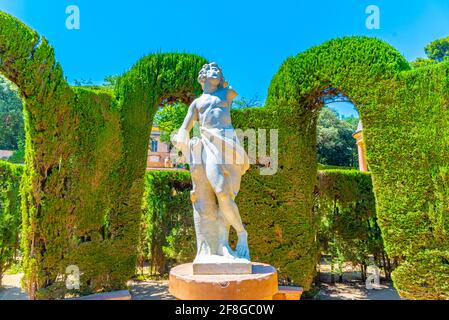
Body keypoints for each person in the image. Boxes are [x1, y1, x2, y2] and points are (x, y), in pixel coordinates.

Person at [173, 63, 250, 260]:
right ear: (203, 77)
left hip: (229, 145)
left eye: (219, 71)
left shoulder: (226, 93)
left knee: (229, 196)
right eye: (212, 70)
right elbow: (185, 126)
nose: (217, 72)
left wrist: (221, 81)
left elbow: (231, 86)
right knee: (221, 191)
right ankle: (241, 233)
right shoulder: (197, 103)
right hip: (208, 145)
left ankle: (225, 244)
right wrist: (180, 137)